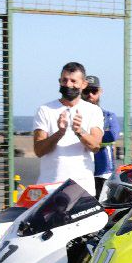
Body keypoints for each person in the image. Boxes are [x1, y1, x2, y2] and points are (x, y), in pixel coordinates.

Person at [33, 61, 105, 190]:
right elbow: (39, 150)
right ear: (59, 81)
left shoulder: (93, 111)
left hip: (81, 188)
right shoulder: (45, 110)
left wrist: (79, 131)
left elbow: (95, 146)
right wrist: (59, 133)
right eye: (64, 80)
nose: (68, 85)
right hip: (49, 186)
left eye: (73, 81)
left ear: (83, 84)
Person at [84, 75, 119, 196]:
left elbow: (112, 136)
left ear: (100, 92)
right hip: (81, 172)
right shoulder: (75, 115)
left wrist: (85, 137)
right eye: (86, 91)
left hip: (103, 172)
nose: (90, 95)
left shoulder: (109, 116)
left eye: (93, 91)